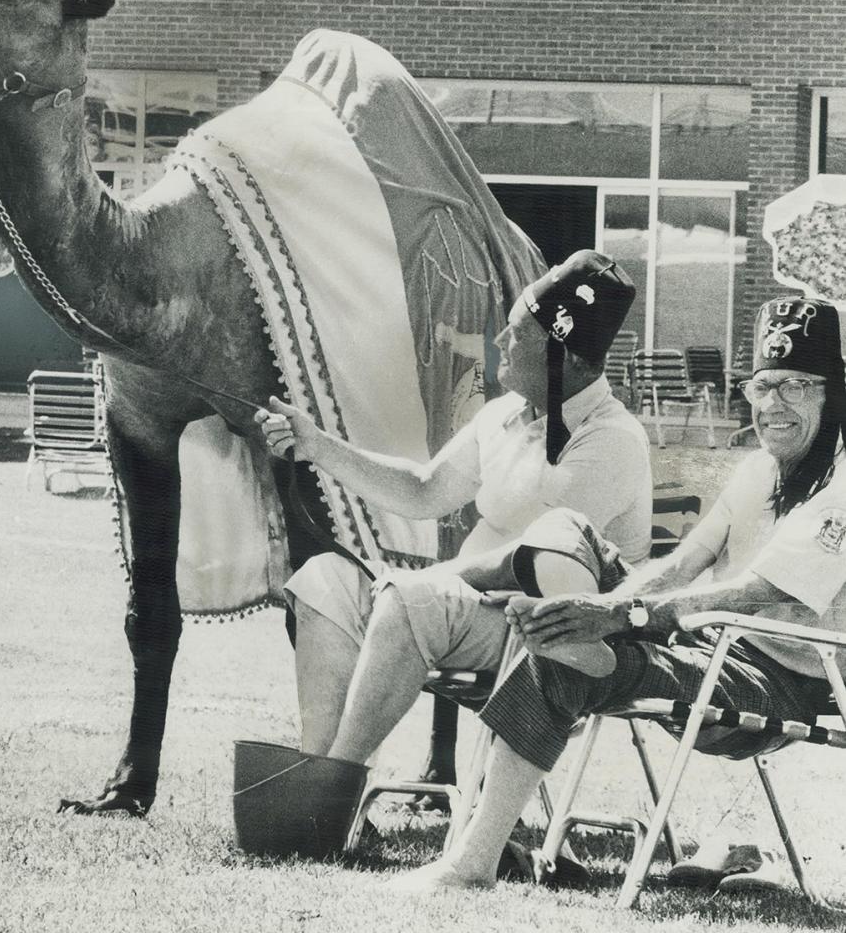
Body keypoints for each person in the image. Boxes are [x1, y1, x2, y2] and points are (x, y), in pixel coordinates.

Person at [396, 294, 846, 892]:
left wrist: (616, 613)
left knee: (563, 653)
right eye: (762, 386)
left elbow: (749, 594)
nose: (772, 405)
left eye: (795, 386)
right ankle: (527, 613)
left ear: (834, 393)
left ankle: (470, 864)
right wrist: (607, 610)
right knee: (565, 530)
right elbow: (684, 563)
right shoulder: (757, 472)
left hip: (783, 680)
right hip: (710, 651)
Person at [253, 249, 652, 853]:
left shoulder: (611, 439)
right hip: (469, 610)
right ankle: (330, 788)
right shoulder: (507, 415)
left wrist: (430, 583)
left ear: (561, 356)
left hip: (552, 632)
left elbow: (538, 561)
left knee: (413, 596)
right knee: (325, 580)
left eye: (517, 334)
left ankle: (329, 800)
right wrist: (317, 445)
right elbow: (423, 490)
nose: (498, 341)